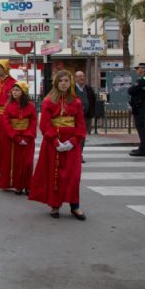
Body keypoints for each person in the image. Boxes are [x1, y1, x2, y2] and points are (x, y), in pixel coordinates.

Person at [29, 70, 87, 220]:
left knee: (73, 176)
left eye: (66, 81)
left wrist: (73, 142)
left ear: (70, 83)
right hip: (53, 143)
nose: (63, 83)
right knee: (55, 175)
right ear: (56, 82)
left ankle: (75, 205)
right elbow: (45, 124)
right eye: (61, 80)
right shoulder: (48, 101)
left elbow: (81, 125)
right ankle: (55, 205)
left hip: (71, 145)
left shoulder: (76, 102)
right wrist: (55, 141)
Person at [0, 81, 37, 195]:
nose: (14, 92)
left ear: (23, 92)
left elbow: (33, 121)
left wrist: (28, 135)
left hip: (27, 138)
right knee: (14, 162)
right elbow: (5, 122)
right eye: (13, 90)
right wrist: (15, 136)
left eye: (17, 90)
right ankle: (17, 185)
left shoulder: (30, 106)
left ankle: (28, 185)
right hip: (12, 139)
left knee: (27, 162)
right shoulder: (8, 105)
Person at [128, 63, 145, 157]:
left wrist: (133, 88)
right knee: (140, 128)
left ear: (143, 69)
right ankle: (142, 147)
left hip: (140, 106)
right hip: (139, 105)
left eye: (138, 68)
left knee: (141, 128)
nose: (136, 70)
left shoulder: (144, 80)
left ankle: (143, 150)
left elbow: (130, 91)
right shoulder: (144, 79)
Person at [74, 71, 96, 163]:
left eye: (83, 76)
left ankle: (79, 155)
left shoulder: (88, 89)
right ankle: (73, 155)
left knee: (82, 137)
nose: (82, 78)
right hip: (74, 118)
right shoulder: (72, 89)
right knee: (73, 137)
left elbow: (93, 101)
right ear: (75, 78)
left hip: (86, 117)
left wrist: (91, 113)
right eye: (79, 76)